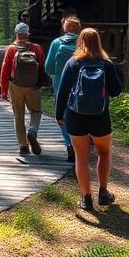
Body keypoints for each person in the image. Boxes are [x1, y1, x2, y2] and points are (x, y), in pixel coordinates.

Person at [54, 28, 124, 211]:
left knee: (81, 157)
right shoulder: (106, 64)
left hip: (76, 116)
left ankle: (86, 199)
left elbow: (62, 92)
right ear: (98, 42)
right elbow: (116, 91)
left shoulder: (73, 63)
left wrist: (59, 114)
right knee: (104, 153)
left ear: (81, 41)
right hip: (100, 116)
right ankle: (103, 192)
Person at [0, 22, 49, 156]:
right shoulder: (37, 48)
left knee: (18, 115)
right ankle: (32, 132)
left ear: (16, 34)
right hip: (33, 86)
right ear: (27, 34)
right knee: (36, 111)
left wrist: (3, 89)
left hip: (15, 85)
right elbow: (41, 68)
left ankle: (23, 145)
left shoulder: (11, 49)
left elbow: (5, 70)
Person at [45, 15, 82, 163]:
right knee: (80, 115)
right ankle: (79, 144)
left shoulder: (56, 43)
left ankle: (69, 143)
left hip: (60, 85)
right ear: (79, 28)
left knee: (62, 117)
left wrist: (57, 75)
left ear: (64, 28)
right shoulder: (83, 43)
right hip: (82, 86)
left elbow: (48, 68)